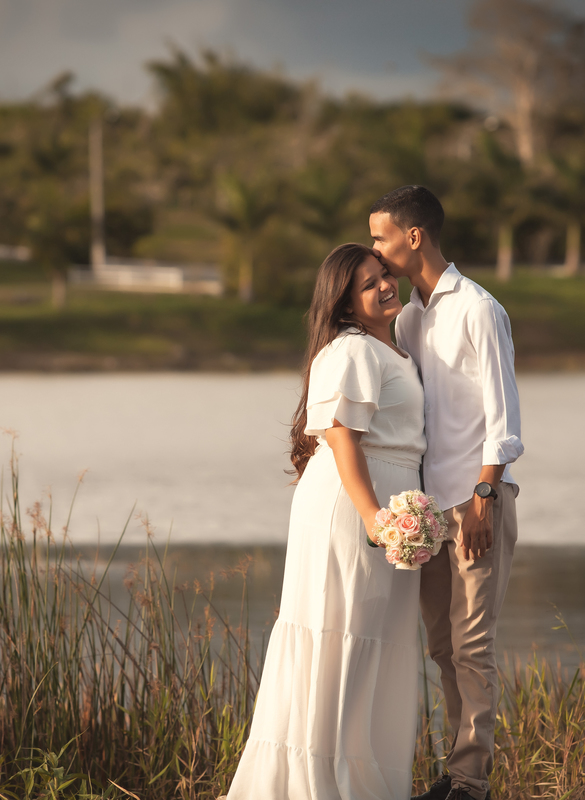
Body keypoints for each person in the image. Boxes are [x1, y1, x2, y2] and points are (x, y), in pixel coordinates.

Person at [223, 243, 427, 800]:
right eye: (368, 283)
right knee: (338, 637)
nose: (385, 285)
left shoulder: (392, 349)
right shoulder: (352, 349)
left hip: (386, 509)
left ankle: (359, 780)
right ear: (344, 304)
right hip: (354, 508)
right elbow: (341, 438)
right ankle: (316, 784)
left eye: (383, 273)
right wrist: (375, 517)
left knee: (370, 639)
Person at [369, 186, 524, 800]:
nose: (375, 250)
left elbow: (503, 415)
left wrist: (485, 495)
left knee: (473, 647)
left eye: (380, 238)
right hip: (429, 512)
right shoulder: (408, 318)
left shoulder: (479, 309)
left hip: (477, 499)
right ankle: (458, 771)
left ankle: (469, 782)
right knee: (442, 647)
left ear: (413, 237)